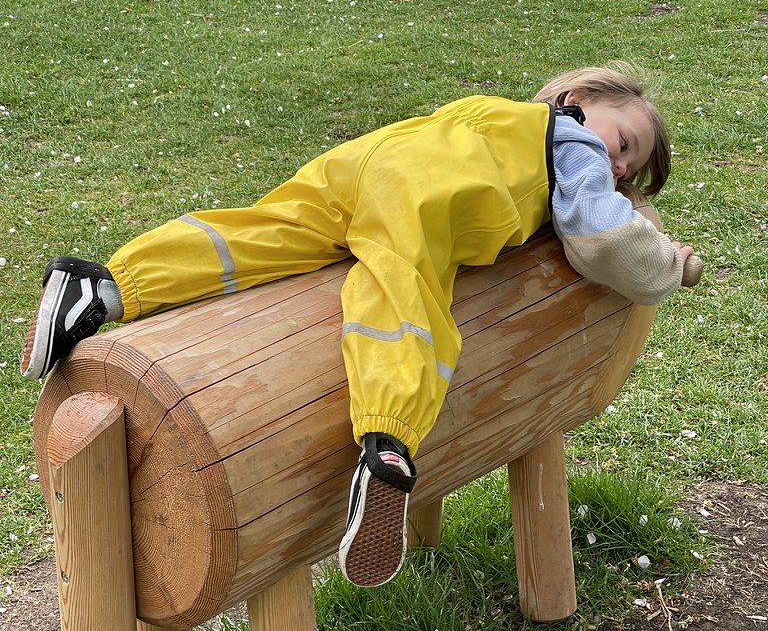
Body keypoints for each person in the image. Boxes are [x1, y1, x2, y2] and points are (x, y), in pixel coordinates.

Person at [20, 63, 696, 589]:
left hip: (361, 163)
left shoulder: (487, 115)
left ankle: (101, 288)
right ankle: (390, 448)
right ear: (578, 97)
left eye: (629, 172)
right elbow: (602, 240)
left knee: (255, 234)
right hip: (426, 195)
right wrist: (673, 266)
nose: (616, 168)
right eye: (625, 144)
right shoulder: (570, 137)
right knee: (404, 305)